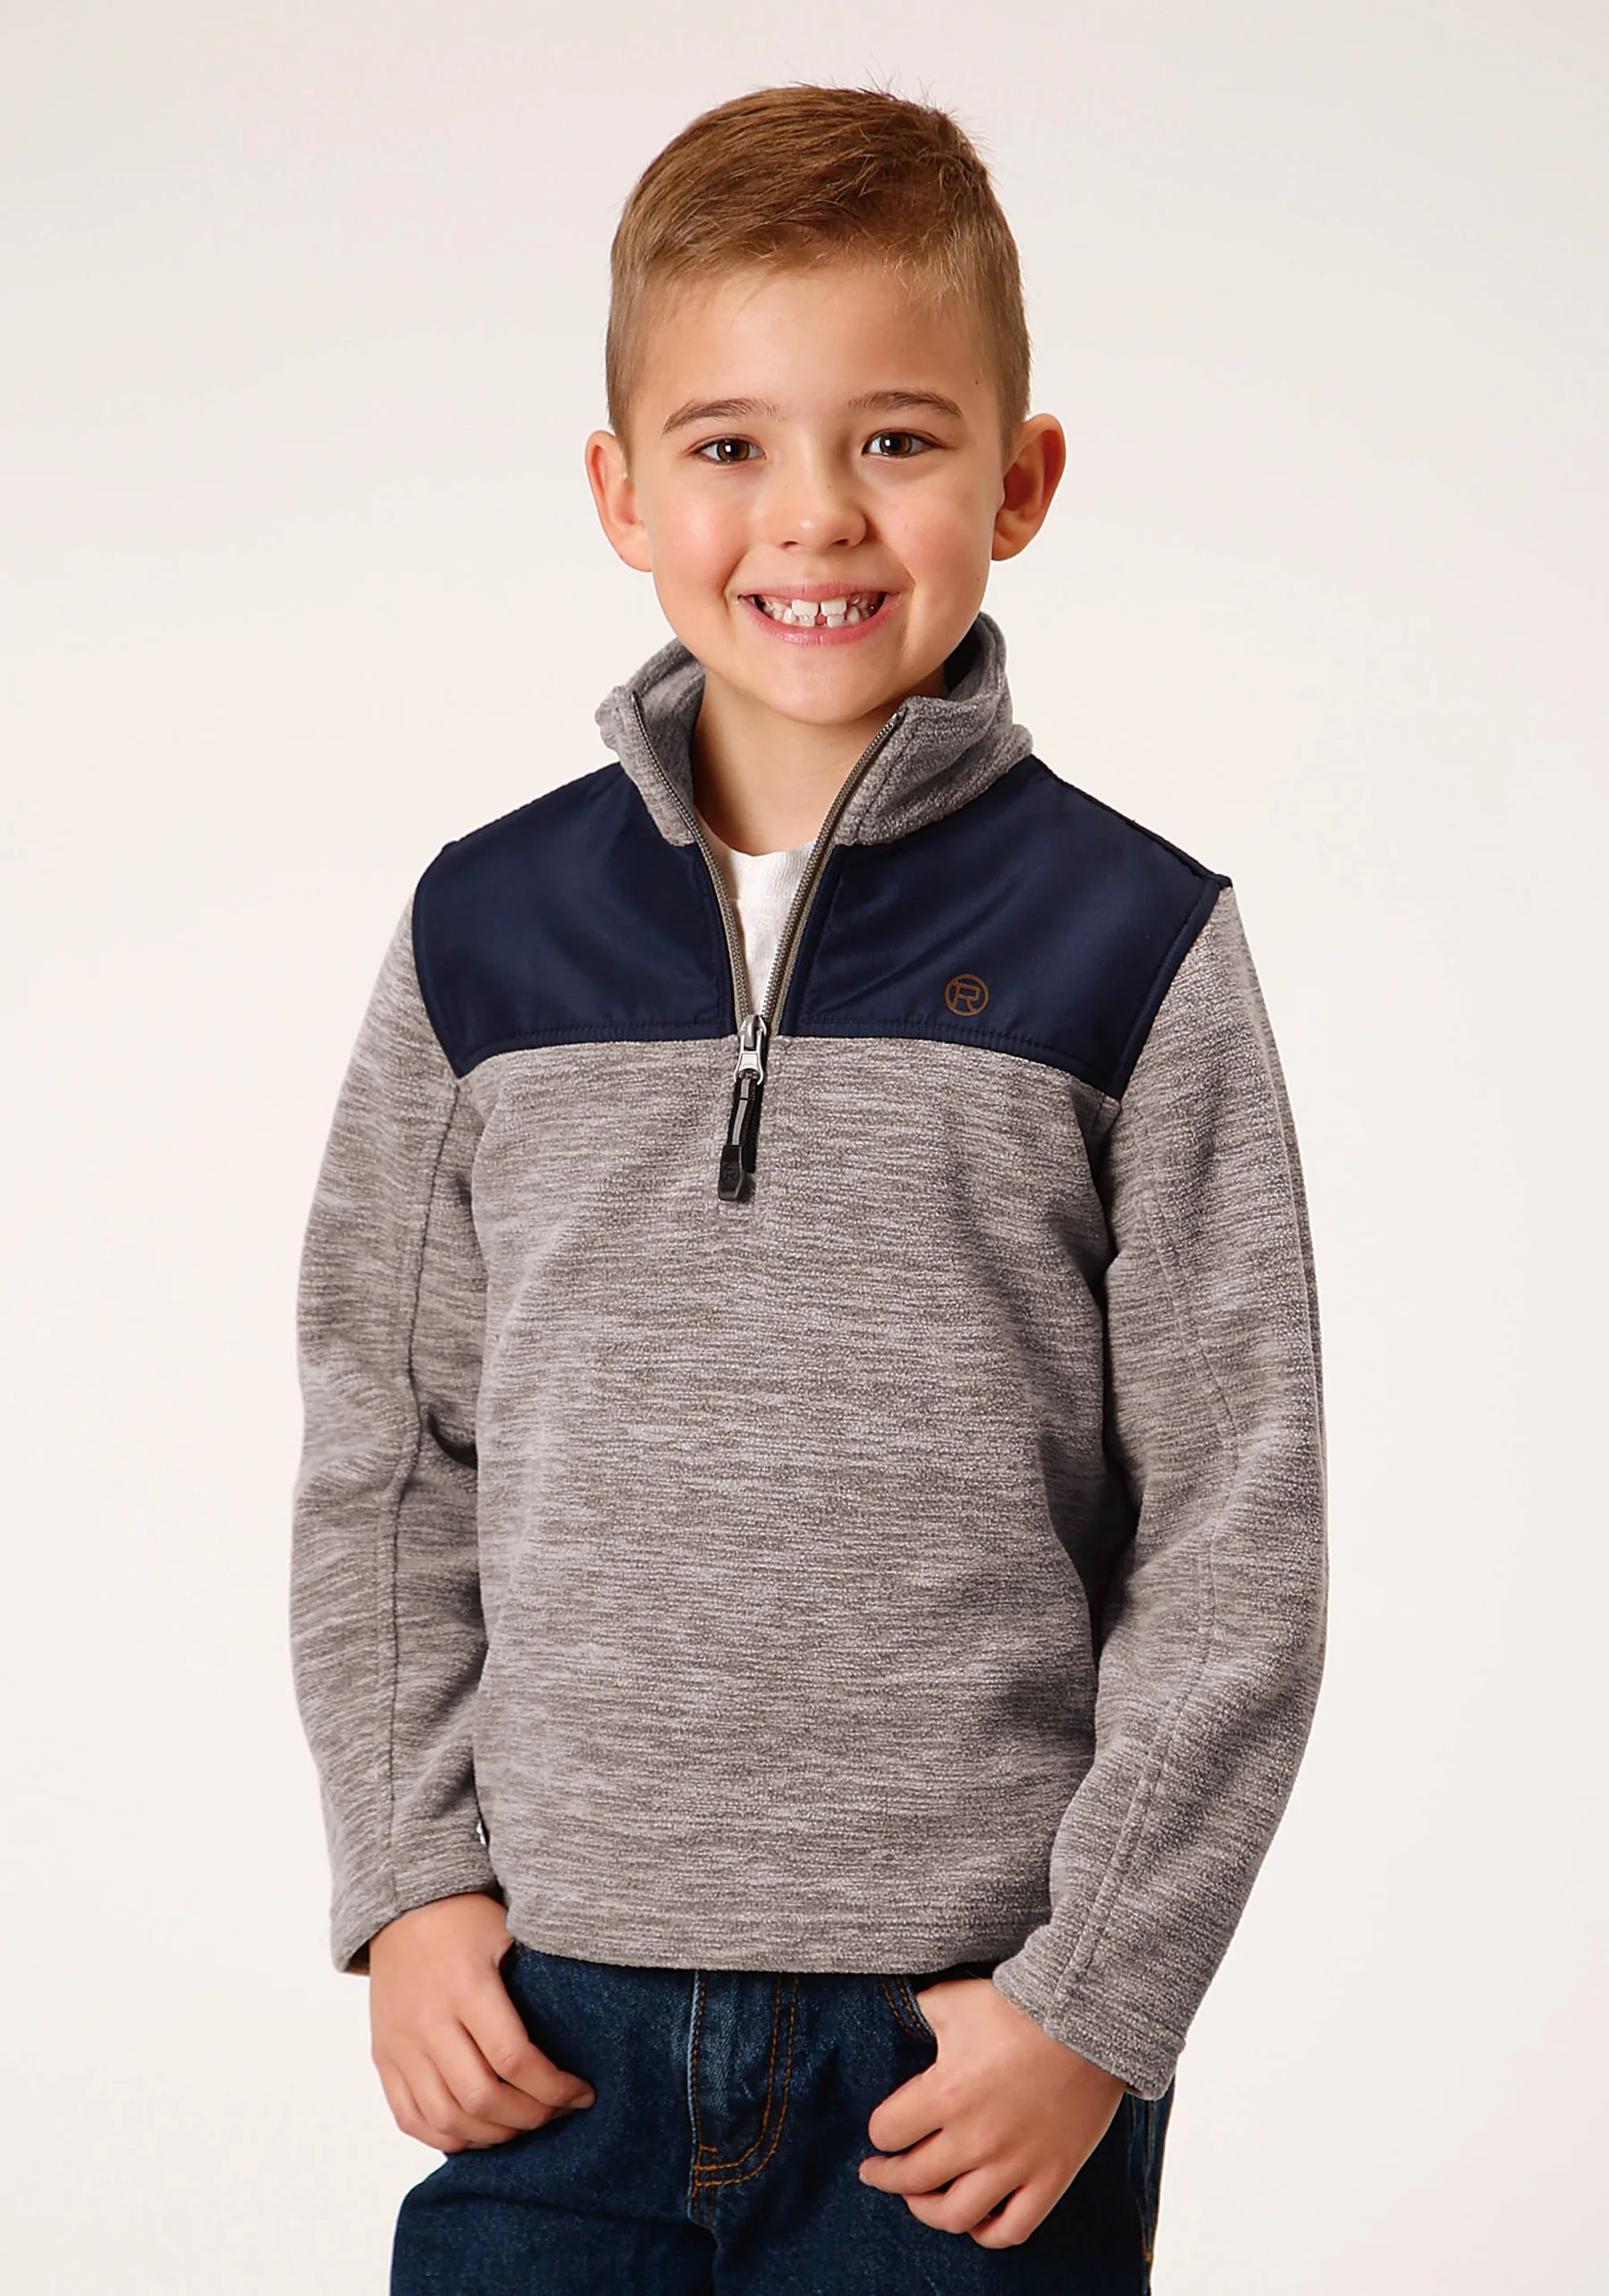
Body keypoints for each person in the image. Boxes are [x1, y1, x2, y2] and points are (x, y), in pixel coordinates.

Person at [289, 80, 1327, 2293]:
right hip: (546, 2029)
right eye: (731, 444)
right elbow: (388, 1451)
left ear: (1021, 479)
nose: (815, 518)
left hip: (962, 2064)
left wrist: (1092, 2005)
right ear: (621, 490)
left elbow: (1237, 1528)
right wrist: (409, 1881)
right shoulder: (485, 933)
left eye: (897, 437)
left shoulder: (1134, 943)